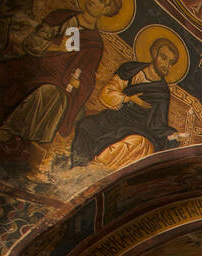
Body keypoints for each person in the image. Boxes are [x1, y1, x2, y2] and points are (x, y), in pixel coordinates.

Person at [0, 0, 121, 158]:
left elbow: (87, 76)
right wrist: (58, 47)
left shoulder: (95, 44)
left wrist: (79, 83)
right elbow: (31, 43)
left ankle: (14, 136)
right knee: (11, 73)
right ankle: (3, 131)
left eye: (101, 1)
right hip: (36, 67)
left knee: (52, 93)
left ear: (106, 9)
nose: (93, 1)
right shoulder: (61, 17)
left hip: (60, 82)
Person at [70, 36, 188, 169]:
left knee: (137, 143)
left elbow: (157, 124)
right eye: (163, 58)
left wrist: (171, 135)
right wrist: (127, 99)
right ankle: (77, 167)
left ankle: (95, 169)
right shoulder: (130, 69)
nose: (166, 65)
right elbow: (107, 92)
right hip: (115, 118)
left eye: (171, 62)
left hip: (139, 128)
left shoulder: (162, 93)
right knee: (86, 125)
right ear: (154, 53)